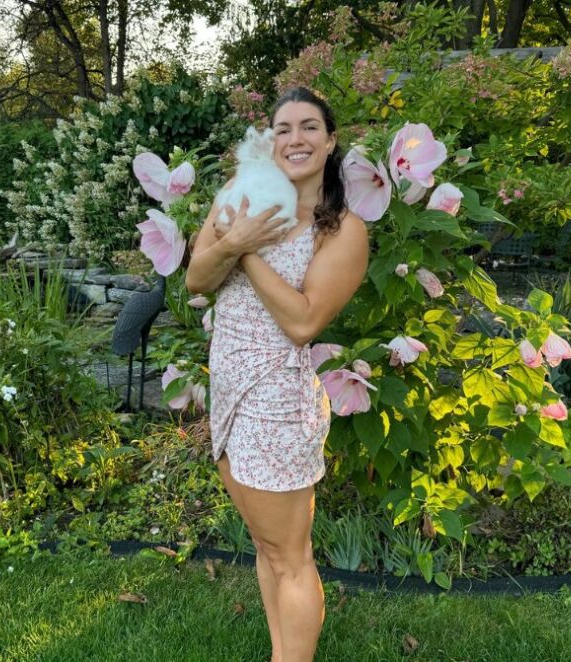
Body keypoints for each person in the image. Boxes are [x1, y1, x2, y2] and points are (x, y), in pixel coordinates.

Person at [185, 87, 369, 662]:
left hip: (278, 403)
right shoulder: (241, 195)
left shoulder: (341, 229)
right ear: (271, 139)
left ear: (330, 140)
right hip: (232, 394)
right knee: (267, 548)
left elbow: (303, 322)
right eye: (283, 128)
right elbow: (195, 280)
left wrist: (244, 251)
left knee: (290, 557)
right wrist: (234, 240)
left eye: (310, 127)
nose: (295, 139)